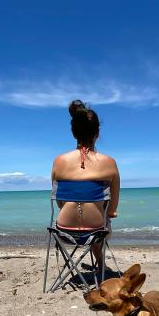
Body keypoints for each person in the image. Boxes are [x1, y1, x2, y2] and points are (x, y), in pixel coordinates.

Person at [51, 99, 120, 270]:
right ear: (97, 133)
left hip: (63, 231)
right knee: (101, 220)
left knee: (95, 220)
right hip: (96, 232)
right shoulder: (109, 163)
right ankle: (101, 265)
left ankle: (99, 264)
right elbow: (111, 210)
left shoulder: (59, 161)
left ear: (73, 133)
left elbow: (60, 202)